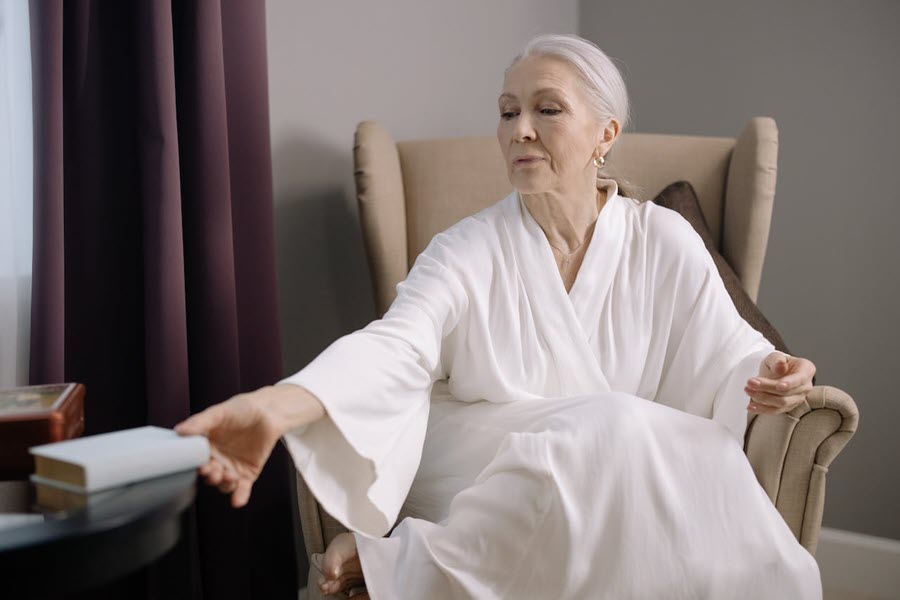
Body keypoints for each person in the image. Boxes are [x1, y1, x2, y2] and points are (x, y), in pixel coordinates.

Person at [175, 34, 821, 599]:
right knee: (614, 423)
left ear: (607, 133)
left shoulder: (664, 241)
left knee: (667, 447)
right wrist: (279, 404)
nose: (520, 131)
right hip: (480, 464)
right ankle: (407, 563)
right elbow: (395, 347)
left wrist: (772, 369)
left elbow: (727, 348)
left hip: (611, 467)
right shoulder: (464, 250)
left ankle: (406, 563)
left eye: (547, 109)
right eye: (508, 112)